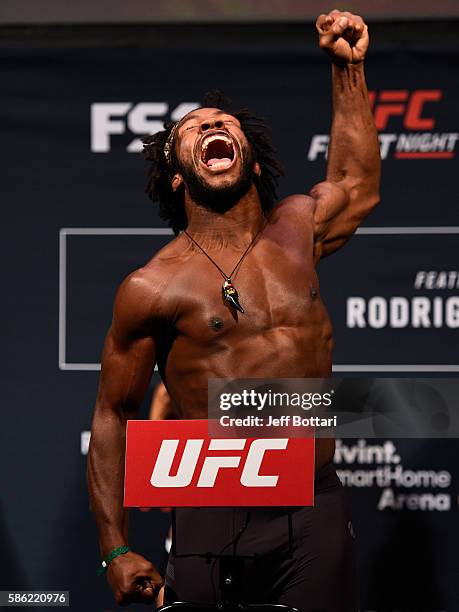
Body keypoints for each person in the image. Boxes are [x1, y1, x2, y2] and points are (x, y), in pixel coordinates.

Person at [87, 9, 380, 611]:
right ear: (175, 174)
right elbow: (114, 414)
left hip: (312, 502)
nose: (210, 127)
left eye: (223, 123)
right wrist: (115, 548)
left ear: (248, 155)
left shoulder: (299, 227)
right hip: (208, 510)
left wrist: (348, 70)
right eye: (192, 128)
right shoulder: (152, 285)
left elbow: (354, 180)